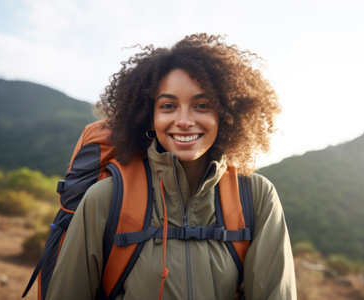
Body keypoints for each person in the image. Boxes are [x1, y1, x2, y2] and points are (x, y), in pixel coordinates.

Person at [46, 33, 296, 300]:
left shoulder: (256, 197)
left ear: (225, 113)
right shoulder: (106, 199)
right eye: (168, 106)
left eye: (202, 105)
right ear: (149, 116)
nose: (184, 120)